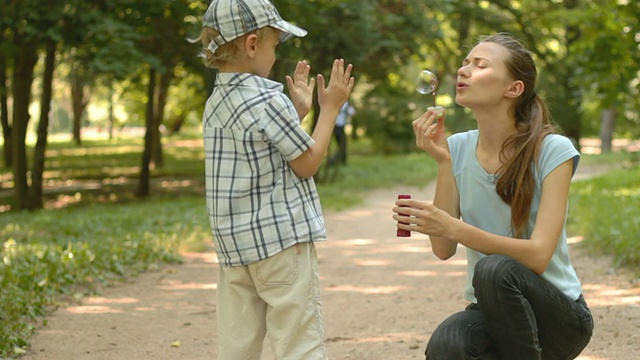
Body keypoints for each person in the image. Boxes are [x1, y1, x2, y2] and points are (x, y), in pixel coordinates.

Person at [393, 33, 593, 359]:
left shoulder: (553, 150)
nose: (463, 70)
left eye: (479, 65)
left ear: (513, 89)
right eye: (465, 63)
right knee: (450, 341)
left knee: (495, 269)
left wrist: (457, 228)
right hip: (493, 312)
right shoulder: (456, 148)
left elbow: (539, 255)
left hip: (558, 317)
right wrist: (444, 162)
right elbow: (443, 249)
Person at [194, 0, 354, 359]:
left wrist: (296, 112)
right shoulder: (267, 99)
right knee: (299, 343)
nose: (274, 56)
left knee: (237, 346)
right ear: (252, 45)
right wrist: (330, 109)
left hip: (235, 250)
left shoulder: (216, 101)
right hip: (281, 243)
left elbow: (260, 145)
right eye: (273, 46)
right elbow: (308, 163)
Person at [329, 101, 355, 165]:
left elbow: (352, 112)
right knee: (342, 144)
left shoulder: (346, 103)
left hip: (340, 126)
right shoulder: (341, 101)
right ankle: (333, 161)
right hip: (336, 125)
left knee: (343, 144)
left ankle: (342, 161)